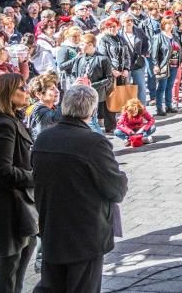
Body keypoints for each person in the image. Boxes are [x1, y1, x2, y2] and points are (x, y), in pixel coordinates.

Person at [32, 84, 128, 293]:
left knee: (51, 285)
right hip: (84, 233)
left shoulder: (44, 138)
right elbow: (115, 190)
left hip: (52, 228)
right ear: (92, 111)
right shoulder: (93, 142)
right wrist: (122, 177)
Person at [0, 73, 37, 293]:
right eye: (21, 88)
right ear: (7, 94)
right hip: (10, 202)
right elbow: (2, 170)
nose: (26, 91)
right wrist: (35, 178)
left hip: (16, 199)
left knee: (23, 251)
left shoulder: (10, 119)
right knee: (12, 260)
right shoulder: (3, 124)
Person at [26, 76, 62, 141]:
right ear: (39, 94)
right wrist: (72, 93)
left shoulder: (55, 108)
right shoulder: (38, 110)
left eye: (56, 87)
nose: (57, 91)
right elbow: (54, 118)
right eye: (52, 89)